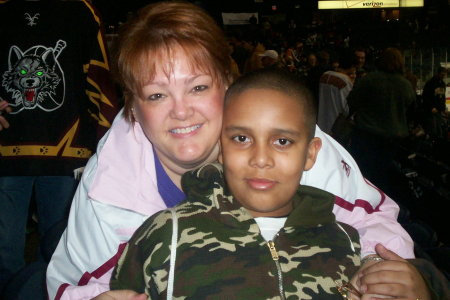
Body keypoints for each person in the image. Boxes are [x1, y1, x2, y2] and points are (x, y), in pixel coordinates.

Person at [46, 2, 414, 299]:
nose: (180, 110)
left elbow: (375, 218)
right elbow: (69, 284)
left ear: (227, 83)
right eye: (157, 95)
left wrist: (379, 269)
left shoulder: (288, 141)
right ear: (133, 108)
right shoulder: (108, 184)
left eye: (198, 87)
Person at [110, 68, 362, 299]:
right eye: (241, 138)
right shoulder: (165, 234)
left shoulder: (344, 242)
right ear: (221, 147)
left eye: (282, 141)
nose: (260, 159)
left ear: (310, 153)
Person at [0, 0, 118, 293]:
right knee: (4, 250)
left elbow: (99, 77)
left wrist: (107, 143)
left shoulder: (80, 9)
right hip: (5, 152)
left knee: (61, 249)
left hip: (68, 151)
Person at [347, 47, 416, 200]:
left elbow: (352, 101)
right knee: (384, 177)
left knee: (364, 175)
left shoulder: (370, 79)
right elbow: (411, 111)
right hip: (393, 139)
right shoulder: (405, 85)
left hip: (366, 135)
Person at [317, 50, 356, 135]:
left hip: (321, 122)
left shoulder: (325, 75)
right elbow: (347, 108)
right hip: (336, 128)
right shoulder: (344, 81)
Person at [422, 66, 448, 139]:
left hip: (438, 111)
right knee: (433, 129)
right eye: (442, 75)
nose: (443, 76)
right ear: (438, 73)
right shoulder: (430, 83)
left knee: (440, 128)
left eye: (444, 75)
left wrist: (443, 108)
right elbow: (426, 97)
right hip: (431, 111)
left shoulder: (442, 84)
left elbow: (442, 97)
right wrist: (431, 107)